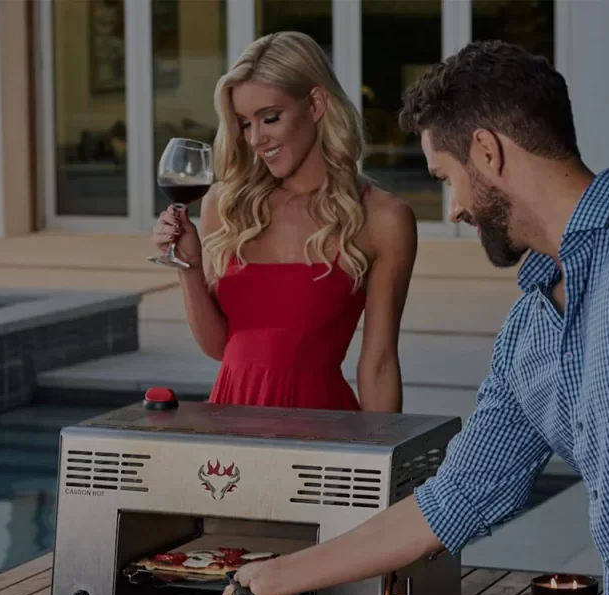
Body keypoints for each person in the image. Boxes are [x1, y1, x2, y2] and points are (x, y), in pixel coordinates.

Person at [221, 40, 609, 595]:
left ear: (488, 153)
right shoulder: (530, 333)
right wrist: (279, 576)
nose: (455, 209)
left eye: (446, 178)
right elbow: (455, 498)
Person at [150, 32, 418, 413]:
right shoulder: (225, 205)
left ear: (316, 104)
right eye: (244, 123)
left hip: (324, 429)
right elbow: (222, 347)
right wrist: (189, 267)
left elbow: (379, 365)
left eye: (270, 118)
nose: (255, 139)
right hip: (230, 432)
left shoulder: (382, 219)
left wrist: (384, 448)